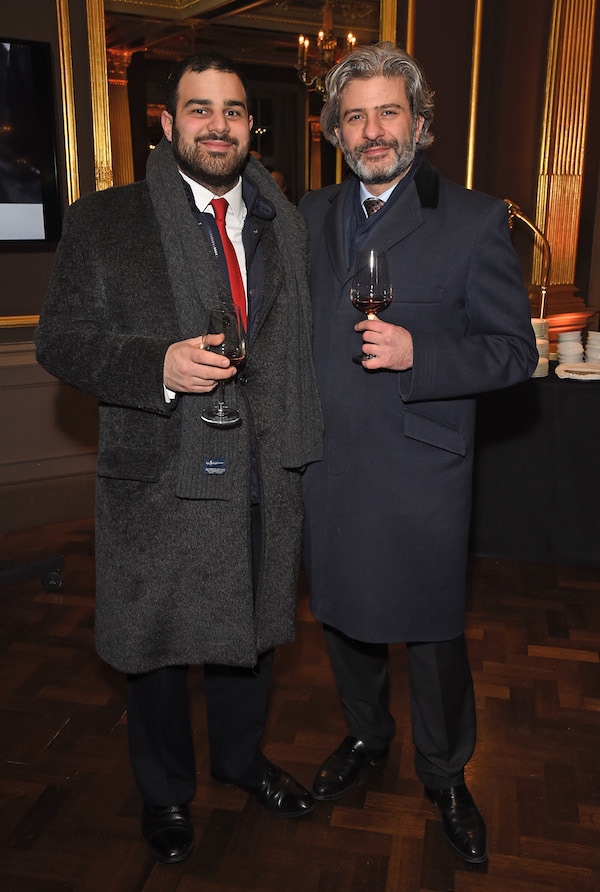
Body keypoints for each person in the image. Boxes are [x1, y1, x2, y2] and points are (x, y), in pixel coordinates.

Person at [35, 52, 323, 864]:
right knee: (156, 643)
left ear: (250, 126)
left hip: (263, 464)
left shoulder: (282, 220)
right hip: (159, 471)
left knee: (254, 631)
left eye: (233, 110)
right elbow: (60, 341)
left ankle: (240, 760)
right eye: (199, 110)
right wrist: (155, 365)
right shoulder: (105, 221)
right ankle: (164, 790)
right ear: (166, 125)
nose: (219, 125)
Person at [298, 43, 537, 865]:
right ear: (334, 130)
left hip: (420, 467)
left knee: (430, 637)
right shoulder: (308, 213)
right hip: (327, 463)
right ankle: (366, 737)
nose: (372, 130)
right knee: (342, 619)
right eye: (355, 115)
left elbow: (514, 353)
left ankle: (445, 774)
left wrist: (419, 354)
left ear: (421, 125)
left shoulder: (473, 219)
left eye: (387, 112)